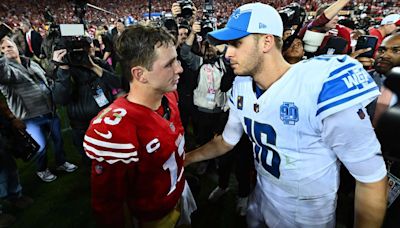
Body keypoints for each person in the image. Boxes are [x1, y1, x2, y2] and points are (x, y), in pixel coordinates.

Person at [186, 3, 388, 228]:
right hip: (263, 194)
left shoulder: (318, 84)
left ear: (266, 41)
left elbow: (371, 178)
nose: (228, 52)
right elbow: (226, 141)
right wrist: (186, 158)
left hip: (306, 214)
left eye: (236, 43)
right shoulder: (242, 85)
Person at [83, 25, 196, 227]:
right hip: (153, 218)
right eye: (169, 64)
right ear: (140, 74)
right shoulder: (116, 129)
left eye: (176, 59)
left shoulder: (169, 96)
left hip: (178, 193)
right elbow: (109, 207)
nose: (179, 68)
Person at [0, 37, 77, 182]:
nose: (7, 50)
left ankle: (61, 162)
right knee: (40, 146)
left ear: (16, 46)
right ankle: (42, 169)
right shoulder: (6, 71)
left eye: (9, 46)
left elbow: (45, 78)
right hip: (30, 116)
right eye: (2, 49)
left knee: (58, 140)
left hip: (49, 110)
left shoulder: (30, 62)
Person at [52, 39, 121, 166]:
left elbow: (117, 83)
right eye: (76, 51)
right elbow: (60, 99)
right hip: (82, 126)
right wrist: (63, 69)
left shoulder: (100, 64)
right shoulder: (64, 70)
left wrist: (94, 67)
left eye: (85, 49)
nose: (80, 54)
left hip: (106, 119)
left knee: (113, 156)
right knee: (90, 160)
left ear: (92, 48)